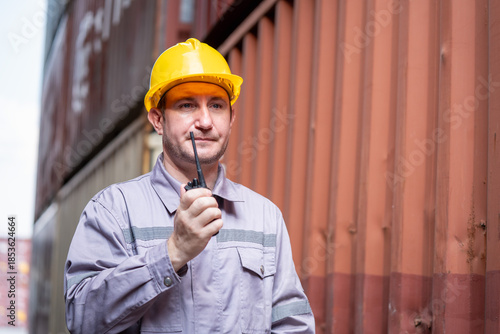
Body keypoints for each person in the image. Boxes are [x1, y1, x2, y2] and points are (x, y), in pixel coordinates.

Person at [64, 38, 315, 333]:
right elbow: (82, 318)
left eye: (217, 105)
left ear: (231, 118)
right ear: (158, 120)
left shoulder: (265, 217)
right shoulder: (113, 210)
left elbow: (292, 324)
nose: (206, 121)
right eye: (187, 105)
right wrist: (173, 252)